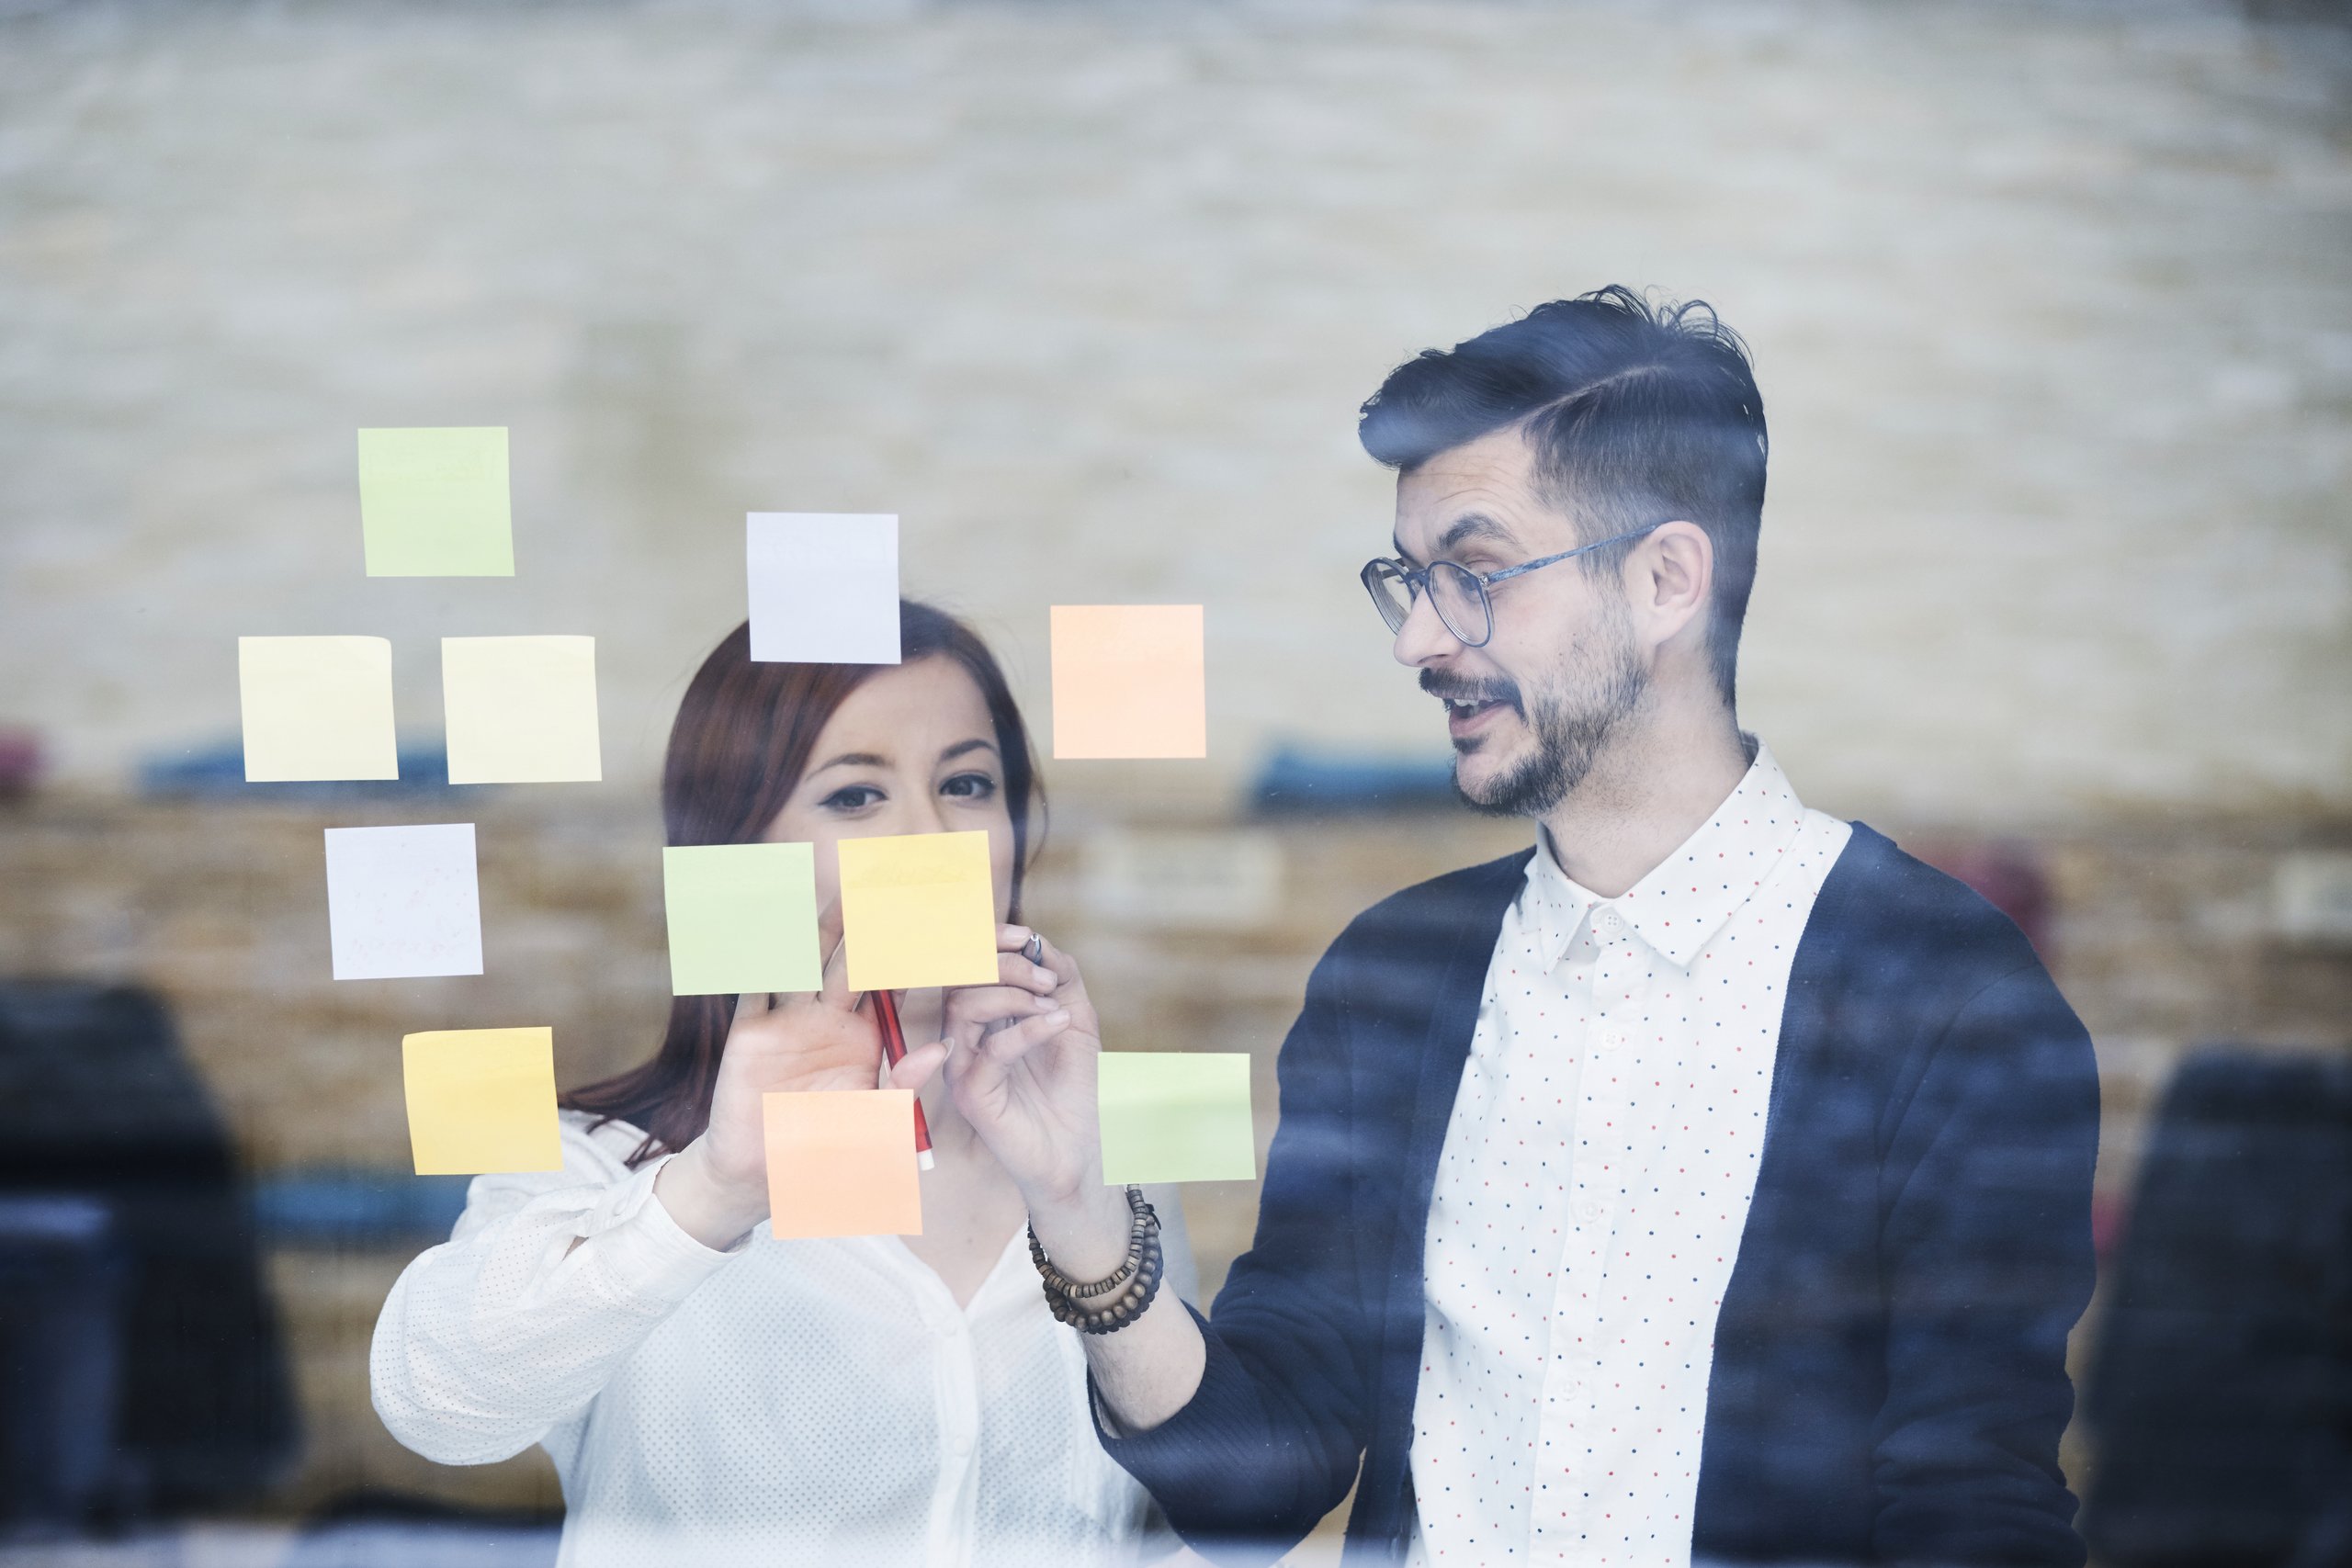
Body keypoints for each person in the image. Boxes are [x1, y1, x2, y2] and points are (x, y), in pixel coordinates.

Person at [932, 288, 2101, 1566]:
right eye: (1410, 580)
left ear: (1664, 580)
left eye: (1475, 574)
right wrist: (1079, 1211)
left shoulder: (1945, 993)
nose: (1419, 640)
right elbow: (1256, 1483)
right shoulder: (1393, 975)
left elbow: (1971, 1508)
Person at [370, 604, 1198, 1568]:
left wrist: (1081, 1210)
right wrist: (716, 1192)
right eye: (855, 796)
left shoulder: (1098, 1152)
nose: (929, 837)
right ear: (736, 847)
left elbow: (1184, 1513)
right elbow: (436, 1405)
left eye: (967, 784)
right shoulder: (602, 1160)